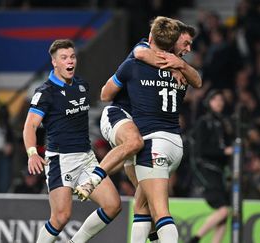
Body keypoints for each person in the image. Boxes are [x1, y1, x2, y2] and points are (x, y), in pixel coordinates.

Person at [75, 17, 200, 243]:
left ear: (152, 37)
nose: (188, 48)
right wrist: (178, 65)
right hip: (168, 141)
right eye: (186, 42)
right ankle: (93, 181)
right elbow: (196, 80)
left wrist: (178, 63)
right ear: (172, 41)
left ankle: (93, 180)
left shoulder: (138, 65)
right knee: (145, 203)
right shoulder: (177, 72)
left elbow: (105, 94)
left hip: (152, 141)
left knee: (152, 208)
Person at [23, 39, 121, 243]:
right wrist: (32, 153)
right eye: (64, 58)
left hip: (86, 157)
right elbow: (30, 126)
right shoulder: (45, 92)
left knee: (113, 205)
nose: (70, 61)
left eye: (72, 56)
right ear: (54, 62)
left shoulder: (82, 86)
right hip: (61, 160)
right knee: (61, 217)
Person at [189, 90, 233, 243]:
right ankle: (195, 238)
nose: (219, 102)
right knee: (224, 210)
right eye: (215, 99)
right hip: (207, 171)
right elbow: (201, 150)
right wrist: (224, 151)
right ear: (209, 102)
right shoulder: (204, 122)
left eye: (221, 99)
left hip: (218, 172)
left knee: (225, 214)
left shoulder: (222, 123)